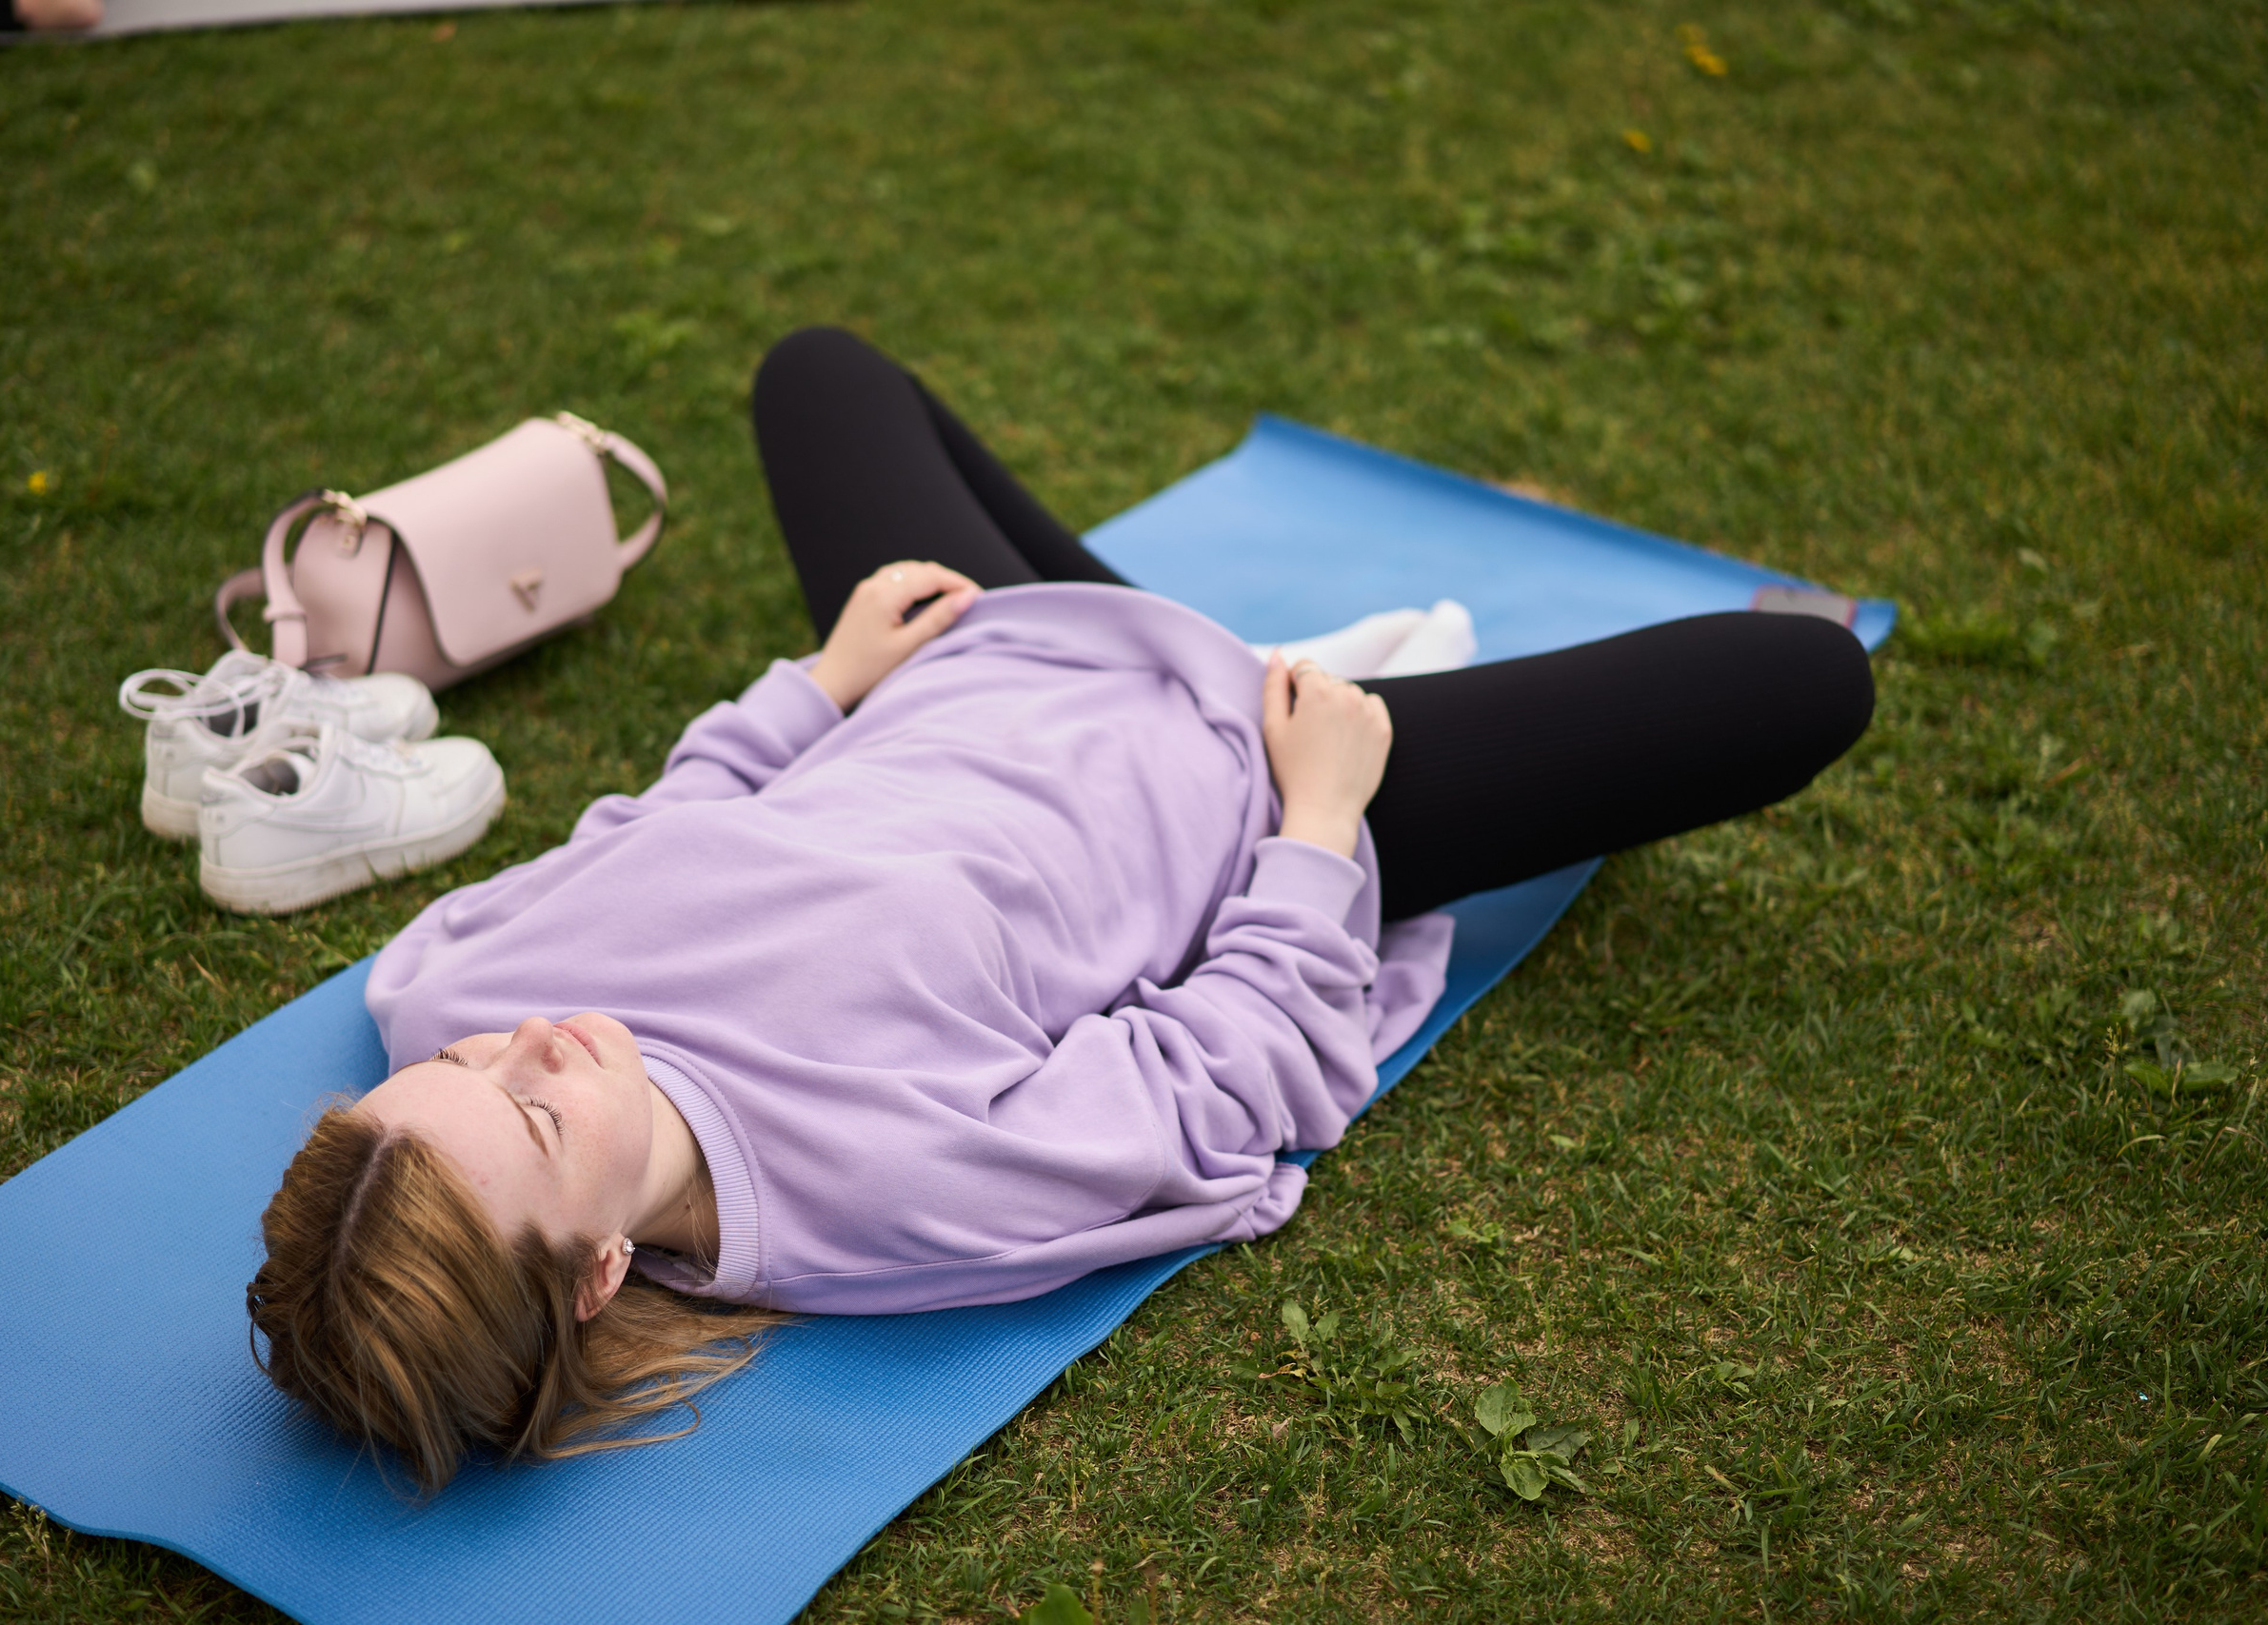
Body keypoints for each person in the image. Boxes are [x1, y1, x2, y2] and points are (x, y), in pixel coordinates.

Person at [245, 327, 1875, 1494]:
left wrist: (819, 686)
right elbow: (1214, 1080)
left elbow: (664, 824)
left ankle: (1135, 612)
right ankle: (1201, 642)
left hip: (965, 659)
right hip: (1243, 773)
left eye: (459, 1066)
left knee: (819, 370)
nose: (534, 1041)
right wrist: (1321, 814)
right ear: (600, 1274)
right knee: (1806, 678)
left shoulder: (443, 979)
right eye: (530, 1119)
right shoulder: (888, 1192)